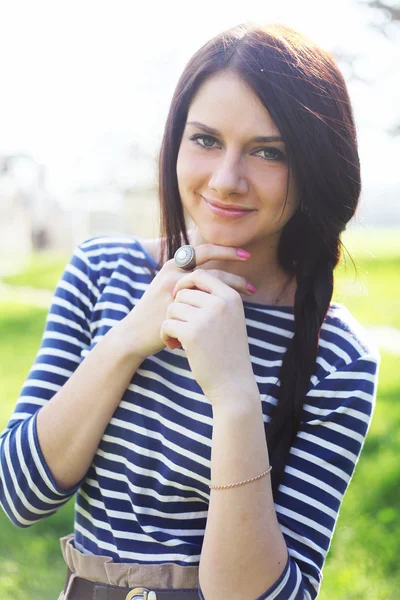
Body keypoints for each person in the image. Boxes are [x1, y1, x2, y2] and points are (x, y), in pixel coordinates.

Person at [0, 22, 379, 600]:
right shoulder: (105, 273)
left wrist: (233, 393)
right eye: (205, 140)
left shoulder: (338, 355)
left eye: (268, 151)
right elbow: (20, 494)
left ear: (313, 166)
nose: (227, 180)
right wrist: (129, 337)